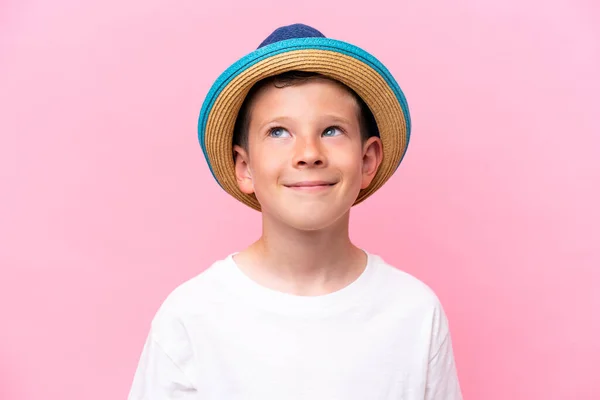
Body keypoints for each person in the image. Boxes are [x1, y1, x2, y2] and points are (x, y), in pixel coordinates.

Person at [128, 23, 463, 400]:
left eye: (332, 130)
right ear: (245, 167)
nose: (308, 153)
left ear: (367, 160)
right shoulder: (190, 318)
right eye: (278, 132)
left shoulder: (415, 313)